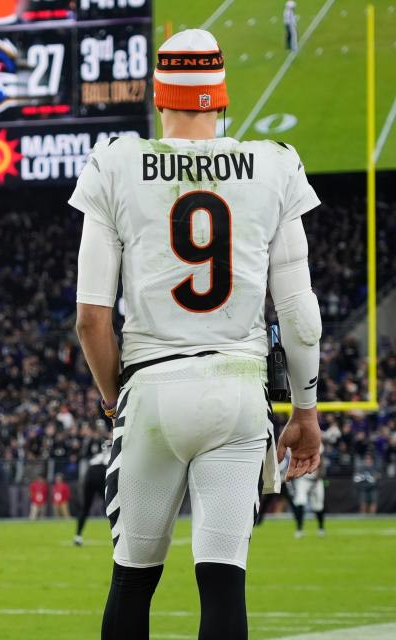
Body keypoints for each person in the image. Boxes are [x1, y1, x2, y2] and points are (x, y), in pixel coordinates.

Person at [71, 29, 322, 640]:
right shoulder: (275, 163)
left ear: (160, 98)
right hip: (238, 390)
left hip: (152, 387)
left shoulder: (116, 163)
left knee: (132, 581)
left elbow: (91, 319)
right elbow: (298, 309)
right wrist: (306, 410)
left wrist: (113, 400)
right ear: (222, 98)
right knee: (223, 583)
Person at [75, 439, 110, 546]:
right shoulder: (112, 455)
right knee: (110, 505)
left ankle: (78, 536)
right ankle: (118, 534)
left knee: (85, 507)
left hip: (89, 474)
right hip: (101, 474)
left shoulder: (97, 456)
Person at [292, 455, 327, 538]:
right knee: (300, 501)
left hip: (316, 480)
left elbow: (321, 461)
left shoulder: (318, 444)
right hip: (303, 479)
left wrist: (319, 475)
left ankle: (321, 528)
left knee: (318, 506)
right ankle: (299, 529)